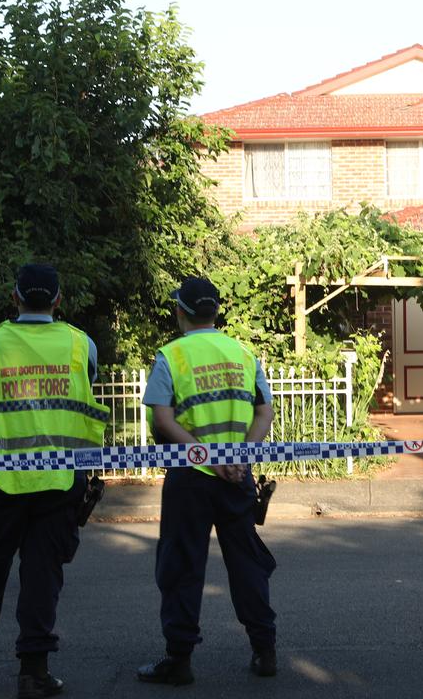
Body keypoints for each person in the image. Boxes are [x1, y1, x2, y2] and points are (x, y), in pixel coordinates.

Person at [0, 263, 110, 698]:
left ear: (14, 298)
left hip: (2, 481)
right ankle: (33, 674)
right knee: (41, 578)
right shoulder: (78, 344)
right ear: (57, 300)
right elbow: (83, 392)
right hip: (60, 480)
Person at [137, 276, 277, 686]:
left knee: (181, 565)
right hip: (237, 475)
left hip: (189, 477)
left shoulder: (171, 356)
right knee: (246, 561)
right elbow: (263, 412)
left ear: (180, 311)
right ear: (216, 312)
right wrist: (238, 456)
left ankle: (178, 660)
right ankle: (264, 649)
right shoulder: (243, 353)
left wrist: (206, 457)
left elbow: (163, 418)